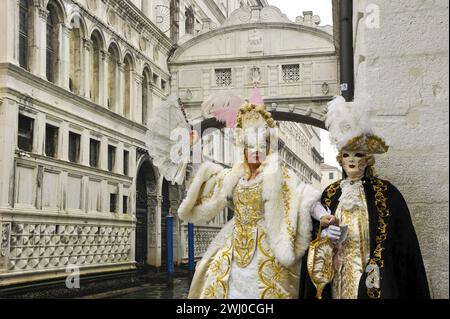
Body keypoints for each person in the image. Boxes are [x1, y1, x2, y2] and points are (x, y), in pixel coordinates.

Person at [178, 102, 327, 299]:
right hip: (233, 240)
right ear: (244, 149)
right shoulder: (234, 176)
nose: (256, 151)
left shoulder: (277, 174)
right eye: (251, 146)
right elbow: (207, 178)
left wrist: (323, 215)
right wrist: (195, 147)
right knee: (211, 274)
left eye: (261, 146)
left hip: (266, 245)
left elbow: (302, 194)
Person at [299, 96, 430, 299]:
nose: (351, 160)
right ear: (340, 159)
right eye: (346, 155)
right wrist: (325, 237)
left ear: (367, 159)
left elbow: (402, 247)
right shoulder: (330, 194)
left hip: (373, 280)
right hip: (338, 279)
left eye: (358, 154)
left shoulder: (387, 195)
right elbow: (314, 238)